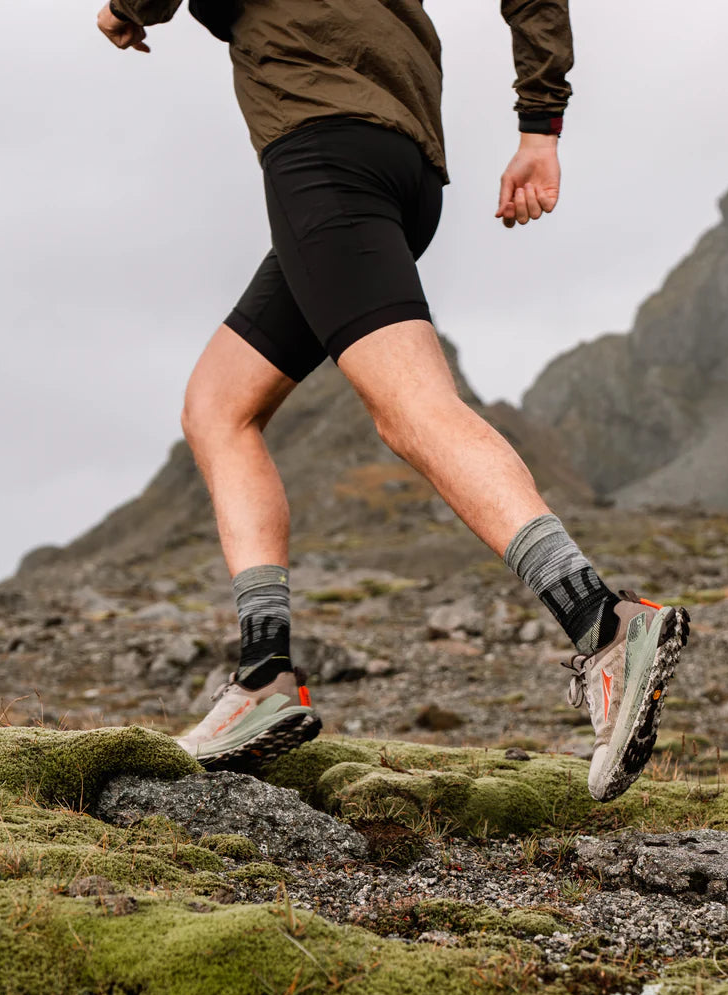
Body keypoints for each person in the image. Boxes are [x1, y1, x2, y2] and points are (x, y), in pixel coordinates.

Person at [95, 0, 689, 801]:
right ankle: (264, 676)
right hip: (401, 158)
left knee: (414, 410)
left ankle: (603, 622)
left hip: (321, 153)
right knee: (217, 407)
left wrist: (127, 12)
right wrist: (539, 127)